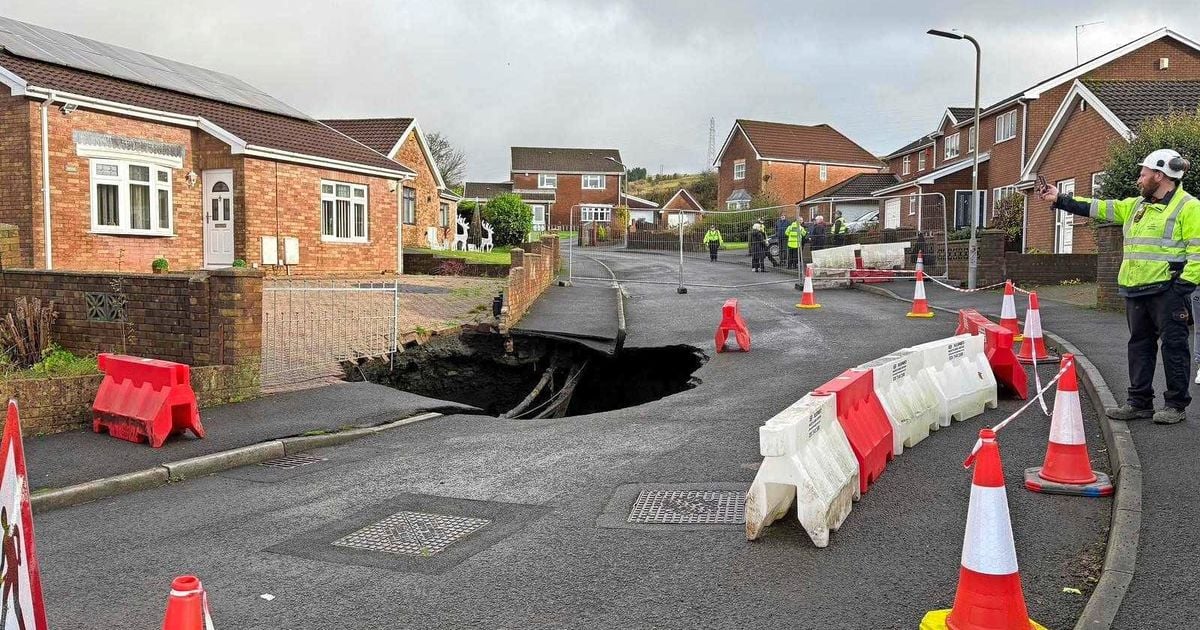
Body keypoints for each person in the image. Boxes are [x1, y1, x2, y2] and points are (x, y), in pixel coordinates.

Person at [1038, 148, 1200, 424]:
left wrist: (1182, 287)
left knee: (1174, 348)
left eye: (1144, 174)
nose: (1139, 179)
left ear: (1159, 176)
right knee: (1139, 346)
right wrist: (1060, 199)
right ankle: (1139, 403)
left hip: (1168, 291)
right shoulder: (1137, 206)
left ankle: (1175, 406)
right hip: (1136, 289)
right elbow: (1100, 207)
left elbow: (1197, 251)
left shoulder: (1189, 207)